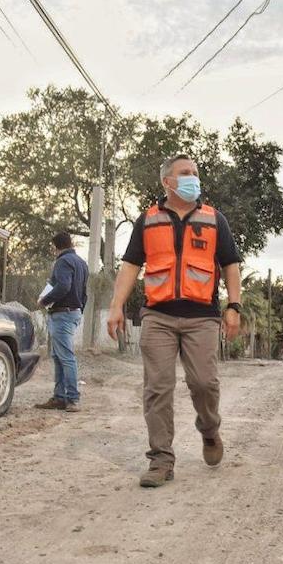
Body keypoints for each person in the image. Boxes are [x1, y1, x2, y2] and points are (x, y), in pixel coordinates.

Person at [106, 154, 242, 488]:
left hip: (202, 317)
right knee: (157, 388)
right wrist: (116, 306)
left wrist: (234, 305)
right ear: (168, 181)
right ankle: (161, 460)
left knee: (204, 383)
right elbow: (130, 265)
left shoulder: (214, 219)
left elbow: (231, 264)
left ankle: (209, 430)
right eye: (185, 173)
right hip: (158, 315)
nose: (193, 178)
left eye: (196, 172)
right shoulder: (148, 220)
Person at [35, 232, 88, 413]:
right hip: (73, 312)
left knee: (65, 357)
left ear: (55, 247)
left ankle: (72, 399)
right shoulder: (81, 263)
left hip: (62, 313)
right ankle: (60, 397)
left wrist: (44, 300)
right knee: (59, 357)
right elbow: (84, 293)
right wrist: (80, 309)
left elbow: (63, 286)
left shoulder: (62, 262)